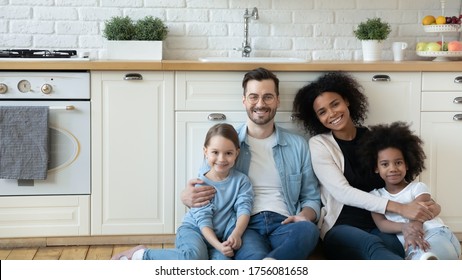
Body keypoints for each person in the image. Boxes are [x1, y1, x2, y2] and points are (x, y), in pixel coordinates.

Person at [292, 71, 440, 260]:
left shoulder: (376, 137)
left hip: (384, 224)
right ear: (317, 119)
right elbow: (342, 192)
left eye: (335, 104)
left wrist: (428, 207)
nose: (332, 114)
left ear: (347, 101)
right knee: (372, 245)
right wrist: (401, 209)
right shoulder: (320, 144)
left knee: (396, 247)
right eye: (322, 112)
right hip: (341, 228)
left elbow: (400, 180)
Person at [182, 67, 321, 260]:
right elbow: (205, 187)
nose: (260, 104)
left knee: (308, 231)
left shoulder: (297, 145)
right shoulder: (227, 144)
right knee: (253, 257)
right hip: (244, 226)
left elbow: (311, 197)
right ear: (244, 100)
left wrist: (304, 216)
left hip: (285, 222)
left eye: (268, 97)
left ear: (278, 100)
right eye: (253, 96)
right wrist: (187, 196)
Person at [112, 123, 253, 260]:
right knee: (193, 257)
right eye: (215, 152)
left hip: (220, 238)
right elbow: (203, 221)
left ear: (237, 153)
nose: (221, 159)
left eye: (228, 153)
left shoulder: (242, 181)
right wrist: (218, 245)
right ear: (205, 152)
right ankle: (141, 255)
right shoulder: (201, 184)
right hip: (194, 231)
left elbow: (244, 209)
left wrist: (236, 234)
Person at [359, 121, 461, 260]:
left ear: (407, 164)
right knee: (416, 253)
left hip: (435, 233)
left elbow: (420, 214)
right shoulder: (375, 196)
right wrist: (404, 228)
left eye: (398, 162)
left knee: (428, 250)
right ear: (376, 168)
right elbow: (382, 225)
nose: (393, 168)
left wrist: (413, 231)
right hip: (410, 243)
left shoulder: (418, 188)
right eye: (385, 164)